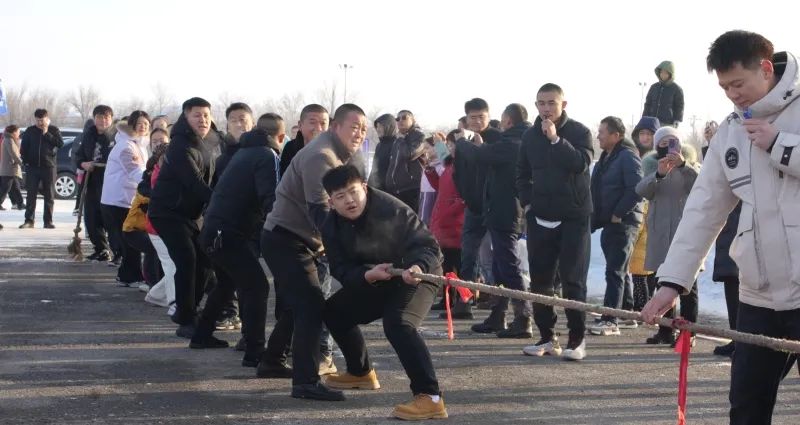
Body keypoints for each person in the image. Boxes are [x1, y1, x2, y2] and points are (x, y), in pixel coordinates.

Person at [641, 30, 800, 423]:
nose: (733, 94)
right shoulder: (731, 131)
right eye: (725, 87)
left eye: (738, 83)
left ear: (766, 68)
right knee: (746, 405)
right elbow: (702, 211)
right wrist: (672, 282)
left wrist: (780, 145)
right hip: (758, 294)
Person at [321, 165, 447, 419]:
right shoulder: (330, 226)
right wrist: (367, 276)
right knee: (334, 311)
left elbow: (429, 247)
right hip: (377, 278)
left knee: (399, 323)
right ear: (331, 202)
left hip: (418, 275)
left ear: (364, 188)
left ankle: (430, 397)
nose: (349, 200)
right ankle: (360, 373)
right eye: (341, 196)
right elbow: (340, 268)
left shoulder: (392, 209)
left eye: (353, 192)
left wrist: (417, 267)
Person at [260, 103, 367, 401]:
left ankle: (272, 361)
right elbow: (321, 212)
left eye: (363, 129)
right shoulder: (322, 156)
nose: (359, 134)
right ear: (336, 127)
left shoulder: (340, 155)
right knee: (311, 306)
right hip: (285, 239)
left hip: (299, 240)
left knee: (300, 304)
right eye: (354, 127)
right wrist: (349, 252)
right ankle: (305, 382)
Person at [190, 114, 285, 368]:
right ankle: (255, 351)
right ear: (281, 137)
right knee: (257, 287)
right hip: (228, 234)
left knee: (226, 283)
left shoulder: (243, 152)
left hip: (213, 231)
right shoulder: (267, 155)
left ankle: (201, 334)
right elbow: (271, 198)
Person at [516, 83, 593, 361]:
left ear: (563, 104)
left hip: (574, 217)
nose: (546, 108)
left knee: (573, 281)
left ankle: (577, 339)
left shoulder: (579, 132)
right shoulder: (529, 136)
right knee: (540, 281)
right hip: (540, 216)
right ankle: (547, 337)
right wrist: (528, 203)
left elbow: (580, 163)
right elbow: (522, 173)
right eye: (541, 103)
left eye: (551, 103)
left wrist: (556, 140)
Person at [148, 97, 223, 338]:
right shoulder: (180, 145)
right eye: (196, 115)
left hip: (191, 214)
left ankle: (188, 310)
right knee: (187, 259)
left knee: (204, 261)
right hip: (167, 213)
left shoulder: (212, 143)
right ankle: (186, 318)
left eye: (206, 115)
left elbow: (215, 177)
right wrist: (222, 204)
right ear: (186, 117)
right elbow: (194, 183)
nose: (203, 120)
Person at [457, 103, 532, 338]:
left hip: (505, 212)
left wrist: (462, 142)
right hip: (499, 211)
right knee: (500, 267)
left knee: (509, 267)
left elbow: (480, 156)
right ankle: (498, 315)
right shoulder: (515, 140)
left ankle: (523, 317)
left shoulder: (513, 143)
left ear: (507, 121)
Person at [637, 126, 700, 346]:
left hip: (685, 233)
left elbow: (700, 187)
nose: (668, 146)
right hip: (659, 234)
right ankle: (665, 330)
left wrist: (683, 165)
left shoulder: (691, 166)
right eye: (663, 143)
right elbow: (641, 190)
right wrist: (658, 174)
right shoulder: (653, 167)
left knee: (687, 287)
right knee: (662, 283)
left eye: (673, 141)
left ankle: (688, 333)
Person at [588, 116, 643, 336]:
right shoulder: (607, 157)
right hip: (609, 222)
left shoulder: (627, 156)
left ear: (616, 135)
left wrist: (618, 213)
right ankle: (626, 313)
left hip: (623, 223)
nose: (598, 136)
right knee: (619, 269)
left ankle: (611, 320)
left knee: (615, 271)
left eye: (602, 132)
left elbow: (637, 189)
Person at [451, 98, 503, 321]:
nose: (478, 121)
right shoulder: (463, 140)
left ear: (489, 116)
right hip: (473, 206)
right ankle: (465, 301)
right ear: (466, 119)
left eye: (482, 117)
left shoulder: (498, 139)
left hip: (495, 207)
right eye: (473, 117)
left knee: (499, 257)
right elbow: (457, 172)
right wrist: (465, 194)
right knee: (468, 256)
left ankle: (499, 305)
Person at [701, 120, 740, 358]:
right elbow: (716, 174)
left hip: (744, 234)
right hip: (729, 232)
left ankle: (744, 342)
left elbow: (732, 167)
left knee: (745, 295)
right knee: (732, 290)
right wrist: (713, 144)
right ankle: (737, 338)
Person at [101, 111, 151, 287]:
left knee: (130, 241)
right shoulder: (126, 146)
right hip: (119, 200)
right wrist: (155, 184)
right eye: (139, 123)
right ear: (132, 125)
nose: (143, 127)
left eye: (146, 124)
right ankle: (130, 276)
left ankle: (127, 275)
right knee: (130, 240)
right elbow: (136, 172)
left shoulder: (139, 144)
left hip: (127, 199)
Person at [74, 105, 116, 261]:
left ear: (111, 119)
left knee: (109, 217)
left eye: (106, 117)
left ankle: (117, 250)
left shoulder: (117, 136)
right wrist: (83, 164)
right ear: (94, 118)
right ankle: (101, 248)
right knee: (91, 217)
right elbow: (78, 156)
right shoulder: (88, 135)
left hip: (110, 181)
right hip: (91, 180)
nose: (102, 120)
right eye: (99, 117)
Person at [629, 116, 661, 310]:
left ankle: (650, 307)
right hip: (637, 211)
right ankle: (640, 306)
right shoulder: (632, 154)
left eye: (649, 134)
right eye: (642, 133)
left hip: (655, 214)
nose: (645, 137)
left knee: (652, 266)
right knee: (638, 264)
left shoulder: (660, 157)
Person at [19, 109, 63, 229]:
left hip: (48, 167)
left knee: (49, 195)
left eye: (42, 120)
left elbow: (60, 144)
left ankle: (48, 221)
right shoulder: (30, 130)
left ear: (47, 119)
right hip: (32, 168)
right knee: (31, 194)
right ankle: (29, 220)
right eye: (37, 120)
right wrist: (26, 161)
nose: (39, 123)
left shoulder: (54, 130)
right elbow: (23, 148)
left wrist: (46, 133)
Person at [385, 110, 426, 212]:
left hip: (411, 189)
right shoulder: (398, 138)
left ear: (413, 120)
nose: (400, 121)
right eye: (397, 119)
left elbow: (410, 154)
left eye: (404, 118)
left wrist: (401, 139)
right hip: (395, 190)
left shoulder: (419, 136)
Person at [278, 104, 329, 177]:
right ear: (300, 125)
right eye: (312, 122)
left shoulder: (334, 149)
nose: (319, 128)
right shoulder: (291, 148)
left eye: (323, 123)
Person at [643, 61, 685, 127]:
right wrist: (644, 118)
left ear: (670, 74)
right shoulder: (654, 87)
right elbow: (648, 104)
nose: (663, 74)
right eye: (661, 72)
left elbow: (679, 106)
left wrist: (677, 119)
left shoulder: (676, 89)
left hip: (667, 124)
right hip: (652, 122)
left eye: (665, 73)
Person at [367, 113, 397, 190]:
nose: (378, 129)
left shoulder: (397, 144)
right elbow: (374, 169)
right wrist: (369, 186)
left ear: (389, 127)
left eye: (380, 126)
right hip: (377, 188)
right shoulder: (379, 145)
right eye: (377, 126)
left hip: (391, 190)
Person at [0, 125, 25, 211]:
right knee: (5, 188)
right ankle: (19, 203)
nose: (19, 133)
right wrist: (21, 163)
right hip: (9, 168)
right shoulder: (9, 140)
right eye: (18, 132)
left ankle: (19, 204)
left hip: (11, 168)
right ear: (13, 132)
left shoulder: (11, 140)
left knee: (15, 187)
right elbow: (13, 154)